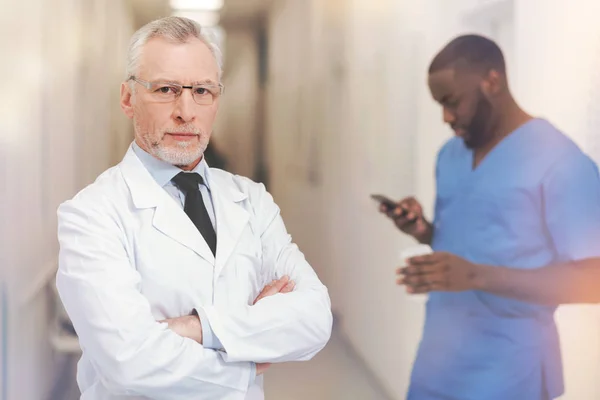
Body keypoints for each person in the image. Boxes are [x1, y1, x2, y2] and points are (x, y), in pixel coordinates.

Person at [56, 16, 332, 400]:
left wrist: (194, 327)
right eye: (166, 89)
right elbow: (128, 362)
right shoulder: (91, 214)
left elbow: (315, 319)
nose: (186, 111)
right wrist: (248, 359)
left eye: (202, 91)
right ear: (127, 98)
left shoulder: (252, 200)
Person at [379, 34, 600, 400]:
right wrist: (424, 232)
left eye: (452, 102)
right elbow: (472, 240)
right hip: (436, 366)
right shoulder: (450, 155)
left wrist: (477, 275)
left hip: (509, 373)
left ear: (492, 82)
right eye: (439, 105)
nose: (446, 117)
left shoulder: (561, 162)